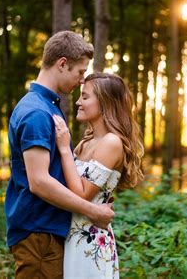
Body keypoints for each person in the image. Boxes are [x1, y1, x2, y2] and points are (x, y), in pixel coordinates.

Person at [5, 31, 115, 278]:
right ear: (62, 64)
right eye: (79, 72)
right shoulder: (36, 113)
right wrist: (92, 210)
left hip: (46, 229)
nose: (80, 80)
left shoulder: (45, 107)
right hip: (38, 231)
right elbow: (39, 181)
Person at [52, 72, 144, 279]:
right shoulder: (87, 141)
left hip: (89, 244)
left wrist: (65, 149)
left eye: (85, 97)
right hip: (71, 236)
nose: (78, 102)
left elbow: (82, 194)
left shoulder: (111, 142)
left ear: (105, 103)